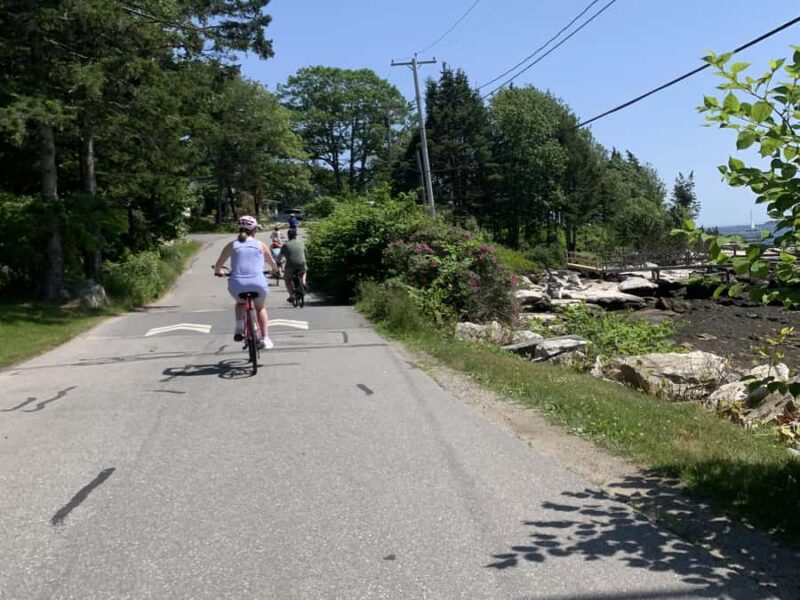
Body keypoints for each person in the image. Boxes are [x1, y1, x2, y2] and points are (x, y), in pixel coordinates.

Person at [214, 215, 278, 349]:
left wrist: (219, 271)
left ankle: (239, 325)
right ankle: (265, 338)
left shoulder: (232, 245)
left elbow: (219, 265)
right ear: (254, 230)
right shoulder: (260, 245)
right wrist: (273, 271)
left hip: (237, 284)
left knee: (240, 303)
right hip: (258, 282)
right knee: (260, 307)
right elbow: (273, 264)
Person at [279, 227, 307, 302]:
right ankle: (303, 283)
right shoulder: (301, 243)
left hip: (290, 265)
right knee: (304, 271)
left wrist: (279, 261)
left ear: (288, 236)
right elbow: (306, 254)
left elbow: (280, 257)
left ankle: (292, 296)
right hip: (302, 264)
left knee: (287, 280)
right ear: (296, 235)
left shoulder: (285, 245)